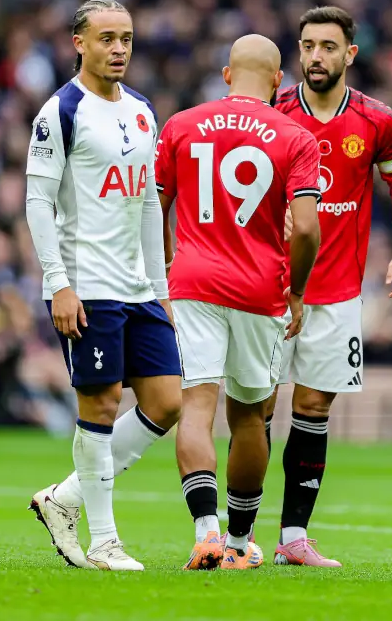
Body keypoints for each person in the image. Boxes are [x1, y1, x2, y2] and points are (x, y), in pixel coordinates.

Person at [259, 6, 392, 567]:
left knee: (312, 408)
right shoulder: (273, 113)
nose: (316, 57)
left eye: (328, 47)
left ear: (350, 54)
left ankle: (292, 539)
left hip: (337, 293)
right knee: (255, 406)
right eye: (307, 46)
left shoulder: (377, 121)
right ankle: (237, 536)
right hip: (269, 289)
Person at [25, 0, 181, 572]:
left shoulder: (142, 110)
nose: (119, 49)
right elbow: (38, 203)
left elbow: (146, 203)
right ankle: (104, 540)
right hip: (85, 282)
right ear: (79, 43)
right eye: (108, 38)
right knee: (103, 401)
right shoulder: (60, 112)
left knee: (167, 401)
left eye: (127, 38)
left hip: (137, 285)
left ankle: (63, 498)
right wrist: (58, 283)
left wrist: (159, 284)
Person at [159, 34, 323, 571]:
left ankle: (204, 533)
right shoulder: (296, 136)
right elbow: (306, 229)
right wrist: (295, 291)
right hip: (259, 289)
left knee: (197, 405)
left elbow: (150, 208)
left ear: (227, 75)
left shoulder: (181, 125)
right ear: (280, 81)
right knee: (250, 416)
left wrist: (164, 269)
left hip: (193, 283)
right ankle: (238, 540)